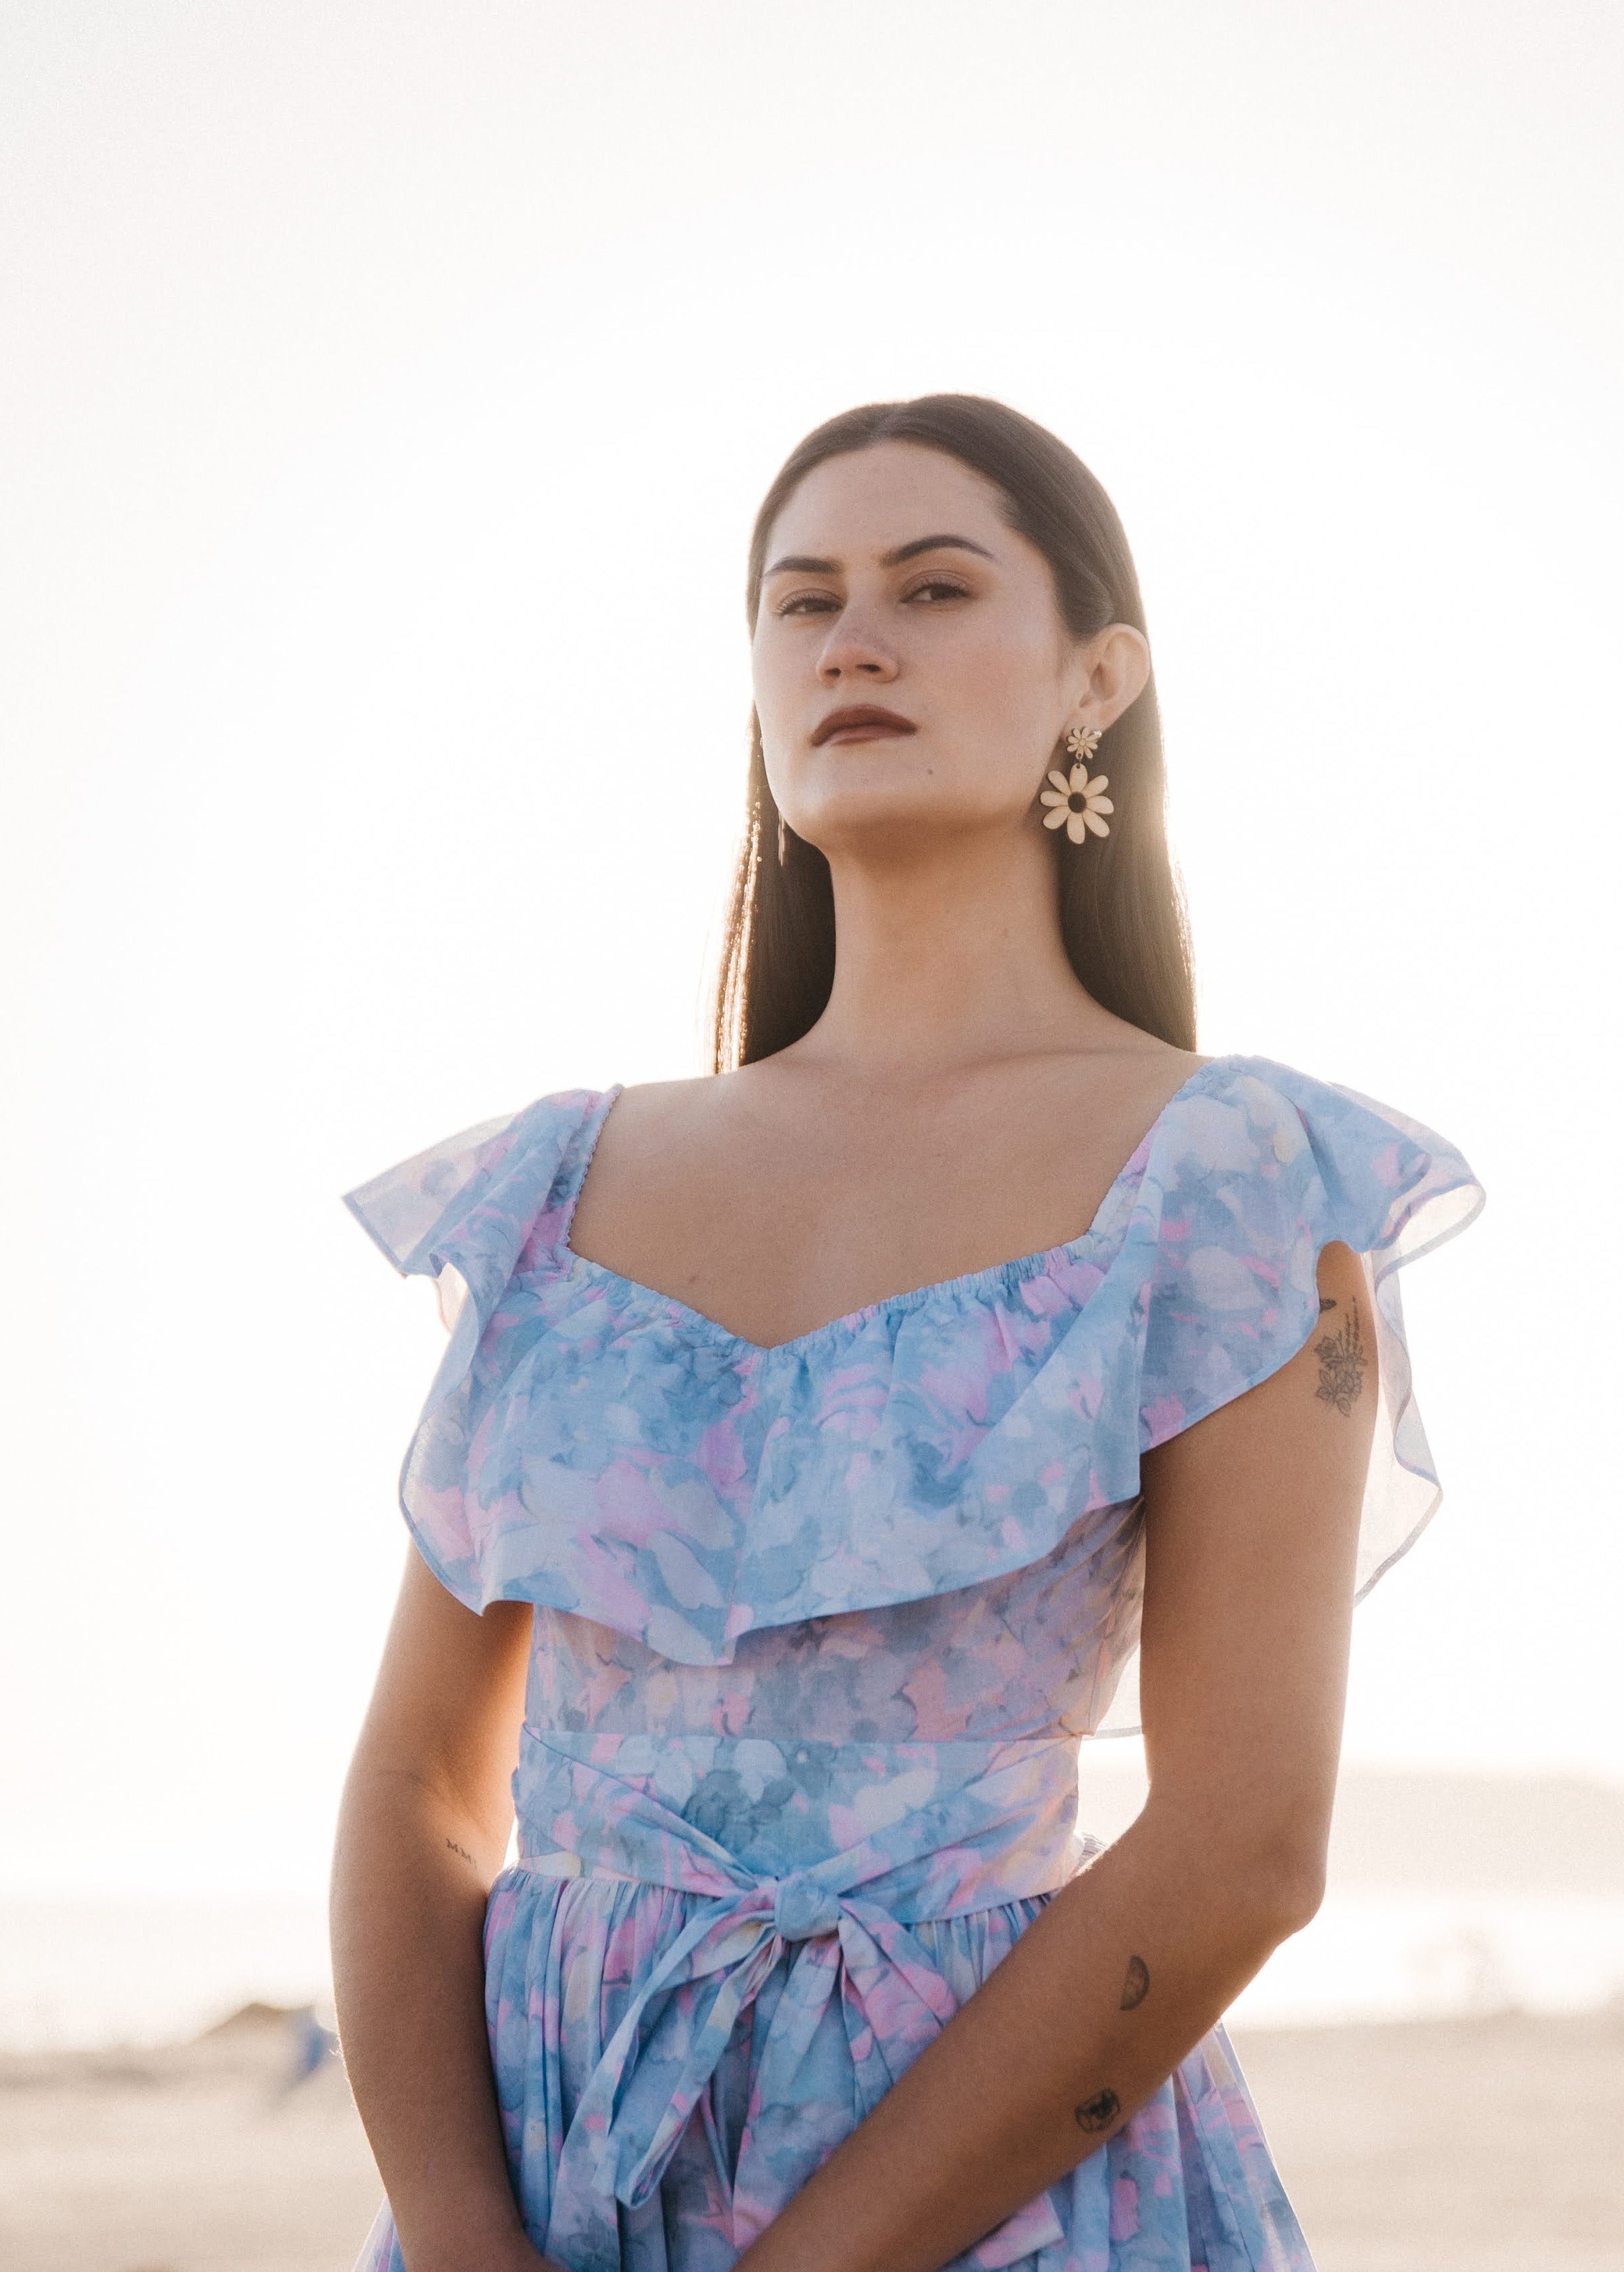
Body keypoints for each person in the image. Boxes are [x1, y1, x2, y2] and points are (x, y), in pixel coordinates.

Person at [330, 395, 1482, 2272]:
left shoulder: (1237, 1178)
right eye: (803, 603)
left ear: (1097, 676)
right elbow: (416, 1783)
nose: (853, 638)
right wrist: (462, 2229)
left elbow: (1247, 1838)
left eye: (934, 587)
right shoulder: (555, 1185)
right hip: (550, 2182)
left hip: (983, 2191)